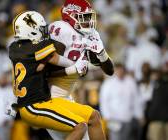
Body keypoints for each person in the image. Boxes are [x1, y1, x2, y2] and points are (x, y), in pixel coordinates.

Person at [9, 11, 102, 140]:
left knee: (93, 116)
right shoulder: (37, 49)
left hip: (39, 102)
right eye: (41, 29)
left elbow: (39, 68)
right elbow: (56, 58)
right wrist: (76, 65)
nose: (45, 32)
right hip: (34, 106)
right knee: (80, 126)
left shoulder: (15, 48)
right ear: (30, 30)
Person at [47, 0, 113, 139]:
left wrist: (102, 54)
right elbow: (43, 73)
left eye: (89, 16)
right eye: (84, 17)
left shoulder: (89, 34)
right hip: (48, 98)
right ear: (70, 16)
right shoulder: (61, 32)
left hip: (65, 98)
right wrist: (73, 69)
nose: (89, 21)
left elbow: (109, 71)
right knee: (93, 118)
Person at [100, 63, 143, 140]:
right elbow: (103, 101)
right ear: (115, 71)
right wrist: (107, 116)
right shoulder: (108, 83)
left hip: (128, 117)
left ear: (124, 71)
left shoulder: (131, 82)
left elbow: (136, 99)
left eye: (121, 70)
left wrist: (139, 115)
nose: (120, 72)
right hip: (114, 119)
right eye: (118, 70)